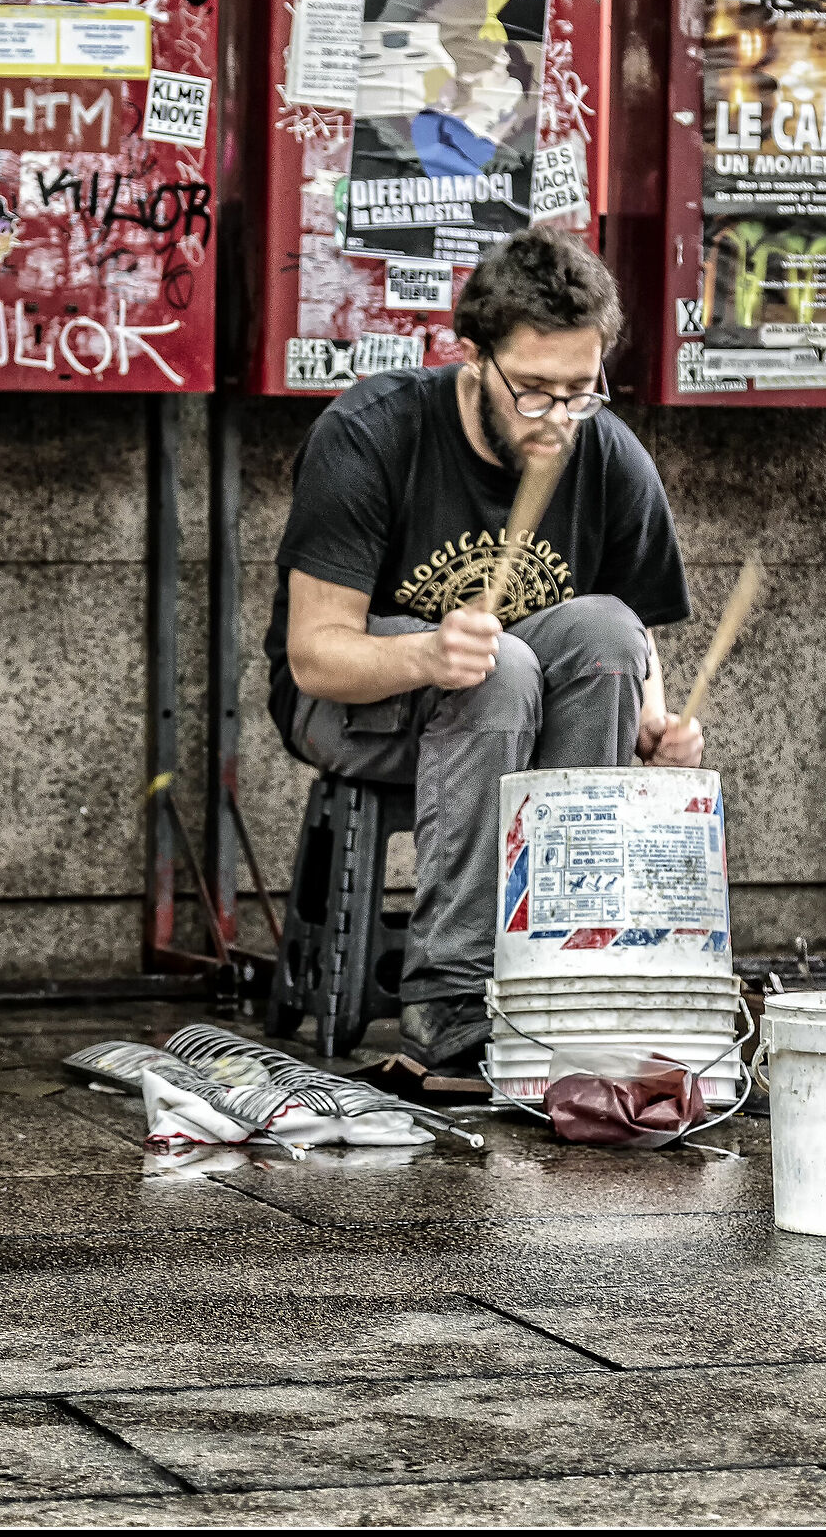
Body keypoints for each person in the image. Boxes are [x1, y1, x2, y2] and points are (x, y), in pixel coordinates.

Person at [265, 229, 698, 1071]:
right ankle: (451, 1001)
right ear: (470, 357)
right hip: (352, 710)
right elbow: (315, 654)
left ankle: (566, 979)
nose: (558, 419)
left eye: (580, 390)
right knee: (499, 668)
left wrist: (651, 721)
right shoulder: (371, 432)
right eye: (532, 391)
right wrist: (429, 656)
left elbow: (633, 629)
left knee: (600, 631)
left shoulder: (603, 450)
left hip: (511, 697)